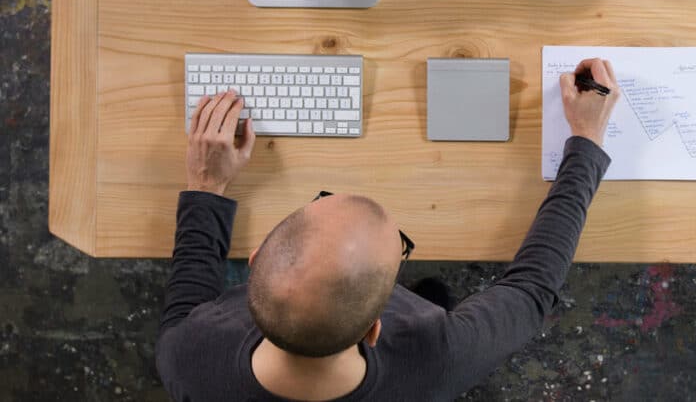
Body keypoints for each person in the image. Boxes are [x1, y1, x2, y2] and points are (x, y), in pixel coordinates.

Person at [156, 58, 620, 401]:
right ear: (376, 330)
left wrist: (206, 184)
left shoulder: (189, 357)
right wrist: (586, 141)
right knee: (438, 297)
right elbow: (532, 290)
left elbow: (186, 304)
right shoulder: (437, 360)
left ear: (256, 261)